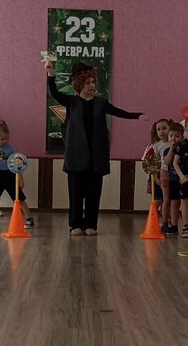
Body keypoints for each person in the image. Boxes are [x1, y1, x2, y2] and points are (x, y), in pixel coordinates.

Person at [45, 60, 148, 236]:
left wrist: (136, 116)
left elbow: (118, 112)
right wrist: (50, 74)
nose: (92, 85)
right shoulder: (71, 102)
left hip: (96, 158)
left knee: (93, 193)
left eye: (93, 82)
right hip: (76, 157)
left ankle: (91, 224)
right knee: (76, 193)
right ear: (80, 84)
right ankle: (75, 225)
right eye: (88, 82)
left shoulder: (101, 103)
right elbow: (54, 92)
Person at [0, 122, 34, 228]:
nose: (5, 141)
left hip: (9, 174)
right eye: (2, 139)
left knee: (19, 197)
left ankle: (29, 218)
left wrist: (20, 178)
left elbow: (17, 164)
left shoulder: (10, 149)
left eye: (7, 139)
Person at [143, 119, 174, 233]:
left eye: (164, 128)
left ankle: (167, 220)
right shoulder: (156, 146)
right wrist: (156, 177)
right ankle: (153, 220)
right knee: (157, 200)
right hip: (159, 175)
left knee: (169, 200)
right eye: (158, 129)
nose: (161, 131)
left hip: (172, 174)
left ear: (170, 128)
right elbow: (154, 163)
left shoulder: (173, 144)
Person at [162, 120, 184, 235]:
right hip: (173, 180)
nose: (174, 138)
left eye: (177, 136)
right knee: (174, 203)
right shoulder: (167, 150)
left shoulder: (185, 149)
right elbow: (167, 161)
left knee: (185, 203)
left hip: (184, 179)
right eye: (171, 136)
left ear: (182, 137)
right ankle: (174, 225)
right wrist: (172, 148)